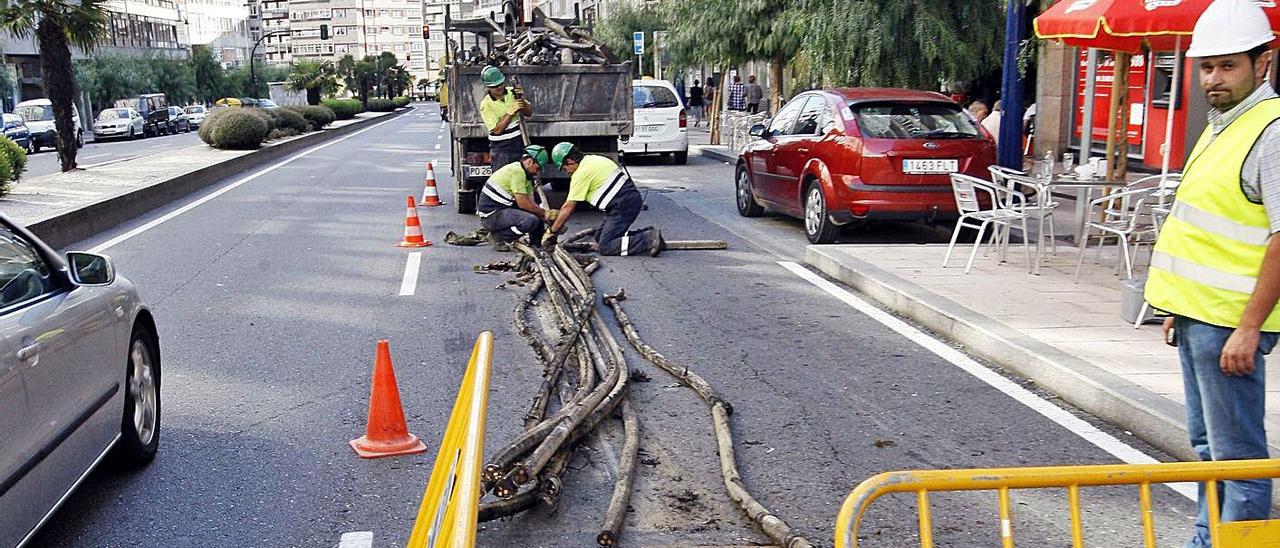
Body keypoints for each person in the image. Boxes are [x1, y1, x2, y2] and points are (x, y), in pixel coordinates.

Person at [1143, 1, 1279, 546]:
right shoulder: (1225, 126)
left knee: (1238, 459)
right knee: (1207, 452)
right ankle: (1209, 541)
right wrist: (1179, 306)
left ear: (1262, 63)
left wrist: (1249, 326)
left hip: (1230, 328)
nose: (1213, 79)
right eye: (1206, 67)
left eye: (1227, 66)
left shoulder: (1270, 132)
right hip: (1200, 320)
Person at [544, 142, 663, 256]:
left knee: (606, 246)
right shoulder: (592, 159)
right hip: (626, 201)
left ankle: (648, 239)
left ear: (570, 162)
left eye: (564, 169)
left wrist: (552, 231)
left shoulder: (581, 173)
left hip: (622, 205)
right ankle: (647, 234)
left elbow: (568, 207)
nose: (566, 173)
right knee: (599, 236)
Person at [478, 144, 552, 250]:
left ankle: (536, 243)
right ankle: (498, 236)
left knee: (535, 214)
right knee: (530, 221)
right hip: (491, 215)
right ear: (530, 162)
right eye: (538, 168)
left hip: (500, 210)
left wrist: (548, 220)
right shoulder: (517, 172)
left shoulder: (526, 176)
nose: (537, 172)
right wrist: (546, 214)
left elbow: (532, 204)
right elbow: (523, 203)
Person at [478, 65, 533, 170]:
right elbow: (497, 130)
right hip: (501, 149)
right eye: (495, 86)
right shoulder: (486, 104)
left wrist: (522, 100)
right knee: (503, 178)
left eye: (500, 84)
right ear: (488, 87)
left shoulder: (512, 93)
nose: (499, 87)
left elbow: (529, 113)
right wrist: (510, 113)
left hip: (518, 144)